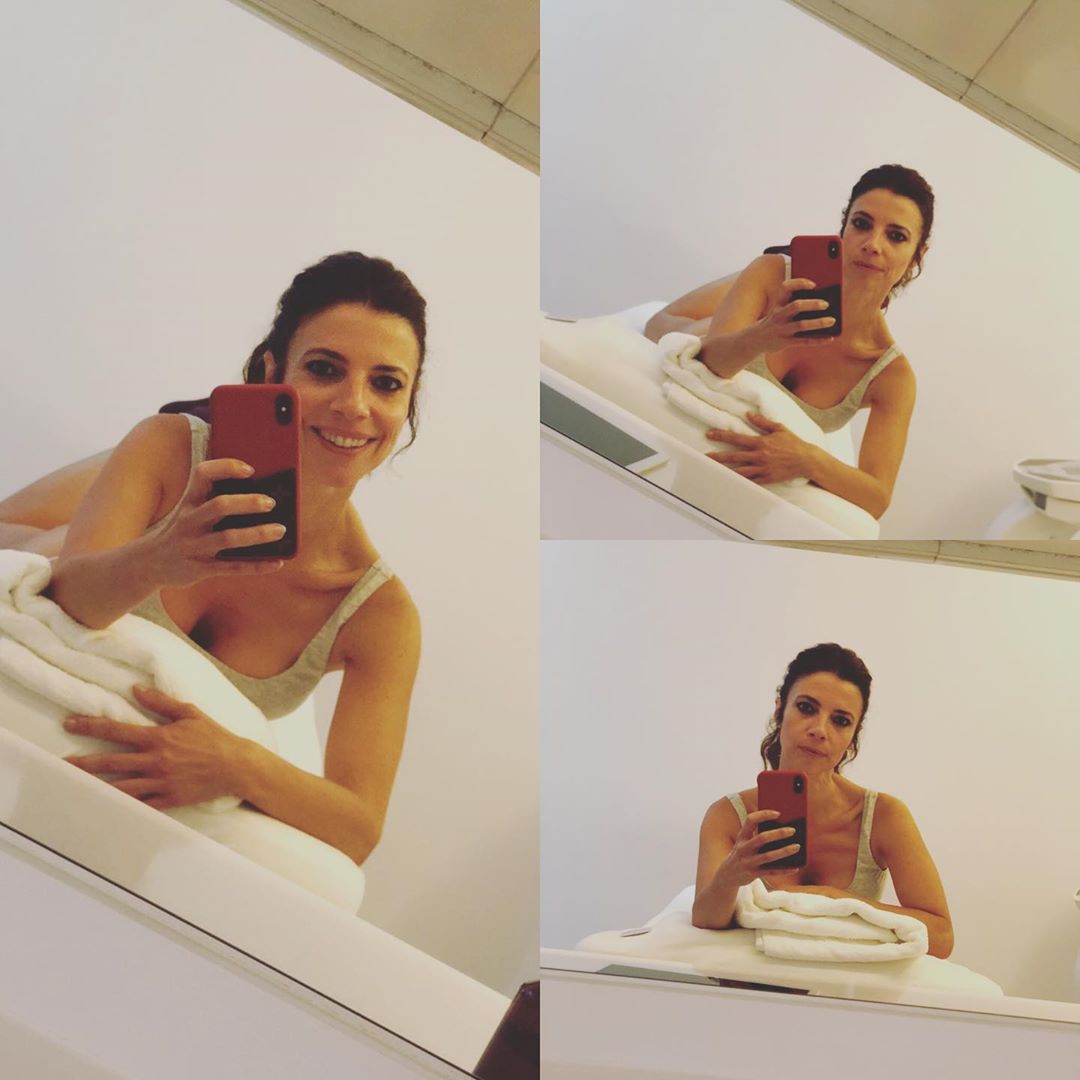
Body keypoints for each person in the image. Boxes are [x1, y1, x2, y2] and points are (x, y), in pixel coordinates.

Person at [0, 252, 425, 867]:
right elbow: (63, 603)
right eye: (324, 369)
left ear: (408, 404)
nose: (354, 405)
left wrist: (238, 763)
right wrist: (159, 558)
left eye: (386, 383)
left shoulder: (377, 614)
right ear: (272, 371)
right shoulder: (168, 447)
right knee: (37, 546)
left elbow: (359, 828)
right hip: (46, 533)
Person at [645, 165, 934, 519]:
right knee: (666, 325)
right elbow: (708, 365)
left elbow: (877, 497)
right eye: (861, 224)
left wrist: (807, 458)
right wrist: (763, 334)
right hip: (746, 314)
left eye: (896, 236)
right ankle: (720, 322)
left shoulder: (890, 377)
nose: (873, 245)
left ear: (917, 255)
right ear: (843, 229)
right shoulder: (772, 275)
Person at [692, 643, 953, 958]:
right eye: (806, 708)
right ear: (779, 710)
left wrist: (835, 899)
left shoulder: (883, 817)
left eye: (840, 721)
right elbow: (704, 922)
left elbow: (941, 938)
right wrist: (730, 876)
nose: (819, 730)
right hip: (751, 984)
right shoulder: (728, 816)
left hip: (846, 985)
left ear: (853, 736)